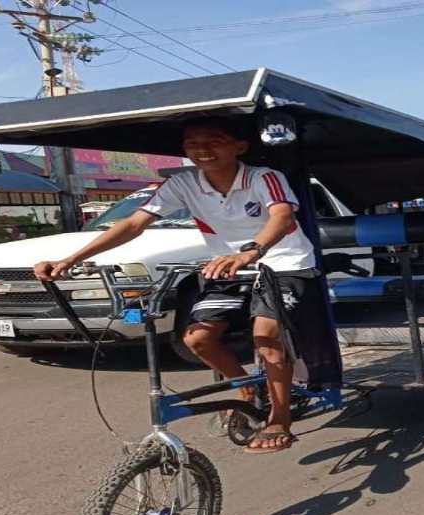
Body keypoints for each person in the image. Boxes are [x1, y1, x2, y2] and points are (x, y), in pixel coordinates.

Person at [34, 117, 319, 453]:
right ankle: (246, 390)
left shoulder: (263, 177)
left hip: (284, 263)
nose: (202, 149)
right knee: (197, 339)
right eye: (193, 143)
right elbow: (134, 224)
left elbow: (282, 217)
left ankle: (279, 418)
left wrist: (251, 252)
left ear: (240, 147)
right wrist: (70, 260)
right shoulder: (183, 183)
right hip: (226, 268)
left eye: (214, 139)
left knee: (267, 336)